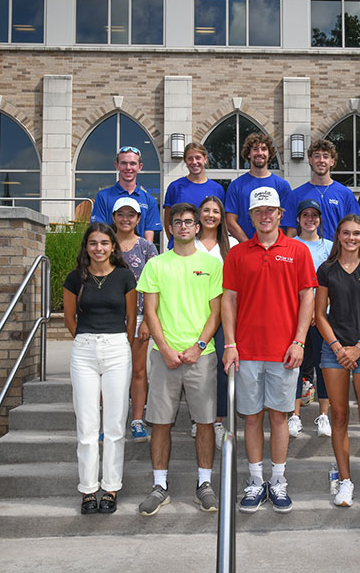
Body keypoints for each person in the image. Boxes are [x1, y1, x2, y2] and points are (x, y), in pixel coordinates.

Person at [222, 186, 316, 514]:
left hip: (284, 351)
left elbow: (308, 297)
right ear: (250, 216)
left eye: (271, 210)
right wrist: (230, 343)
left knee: (279, 416)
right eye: (258, 211)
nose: (265, 216)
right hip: (246, 350)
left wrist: (299, 340)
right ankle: (255, 481)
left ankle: (278, 481)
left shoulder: (298, 251)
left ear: (280, 214)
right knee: (251, 418)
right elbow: (229, 301)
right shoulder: (237, 254)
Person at [135, 203, 223, 516]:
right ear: (170, 228)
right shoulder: (156, 265)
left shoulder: (213, 265)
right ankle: (160, 486)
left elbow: (217, 312)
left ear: (198, 227)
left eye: (189, 222)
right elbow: (150, 312)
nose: (184, 226)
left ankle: (205, 485)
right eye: (177, 222)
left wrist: (199, 346)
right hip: (164, 356)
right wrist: (166, 348)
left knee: (205, 422)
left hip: (202, 355)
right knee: (160, 422)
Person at [62, 223, 137, 515]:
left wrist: (123, 345)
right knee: (87, 425)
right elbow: (69, 318)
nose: (99, 249)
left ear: (113, 247)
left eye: (104, 243)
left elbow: (131, 318)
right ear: (87, 247)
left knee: (115, 425)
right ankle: (88, 489)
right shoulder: (75, 278)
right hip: (84, 351)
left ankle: (112, 487)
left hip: (118, 348)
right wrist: (85, 341)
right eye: (93, 243)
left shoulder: (124, 277)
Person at [314, 215, 360, 508]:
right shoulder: (327, 269)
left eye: (357, 233)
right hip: (334, 351)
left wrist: (358, 347)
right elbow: (319, 314)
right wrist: (337, 347)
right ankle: (345, 482)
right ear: (338, 236)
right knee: (340, 417)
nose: (351, 238)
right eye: (346, 233)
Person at [111, 197, 159, 443]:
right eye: (121, 214)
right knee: (111, 372)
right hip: (109, 319)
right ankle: (111, 420)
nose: (126, 219)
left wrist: (148, 321)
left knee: (138, 370)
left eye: (131, 214)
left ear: (139, 219)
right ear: (114, 217)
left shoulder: (147, 248)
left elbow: (155, 287)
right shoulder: (105, 245)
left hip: (140, 316)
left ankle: (138, 419)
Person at [194, 196, 239, 448]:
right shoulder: (190, 243)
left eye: (216, 211)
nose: (210, 215)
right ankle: (198, 418)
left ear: (222, 217)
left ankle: (218, 419)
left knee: (222, 372)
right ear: (199, 214)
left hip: (222, 316)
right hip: (193, 316)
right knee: (197, 372)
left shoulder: (231, 245)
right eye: (206, 210)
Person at [287, 199, 332, 439]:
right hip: (296, 316)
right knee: (295, 367)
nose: (310, 219)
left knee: (323, 366)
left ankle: (323, 416)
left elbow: (333, 283)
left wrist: (319, 311)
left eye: (314, 215)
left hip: (324, 316)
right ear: (298, 219)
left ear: (320, 219)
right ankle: (294, 416)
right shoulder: (290, 245)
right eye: (305, 215)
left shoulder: (330, 247)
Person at [285, 139, 360, 240]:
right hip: (306, 253)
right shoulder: (296, 195)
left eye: (325, 156)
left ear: (332, 161)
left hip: (337, 253)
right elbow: (291, 233)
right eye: (317, 156)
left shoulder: (345, 194)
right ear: (310, 160)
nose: (321, 160)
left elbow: (356, 228)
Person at [224, 133, 292, 241]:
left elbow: (288, 221)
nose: (260, 153)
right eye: (255, 149)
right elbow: (230, 221)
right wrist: (249, 245)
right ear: (249, 154)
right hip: (246, 249)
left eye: (264, 149)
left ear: (269, 154)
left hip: (274, 249)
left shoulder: (282, 186)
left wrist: (274, 245)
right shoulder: (236, 185)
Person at [91, 145, 162, 242]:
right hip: (111, 254)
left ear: (140, 167)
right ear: (117, 165)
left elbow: (149, 236)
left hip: (139, 256)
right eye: (124, 163)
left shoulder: (149, 200)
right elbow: (99, 231)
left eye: (132, 163)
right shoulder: (103, 197)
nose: (128, 168)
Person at [163, 141, 225, 249]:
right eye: (190, 158)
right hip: (180, 247)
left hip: (207, 248)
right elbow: (168, 220)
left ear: (205, 159)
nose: (194, 162)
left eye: (198, 158)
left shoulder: (217, 189)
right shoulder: (175, 187)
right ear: (185, 161)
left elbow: (221, 221)